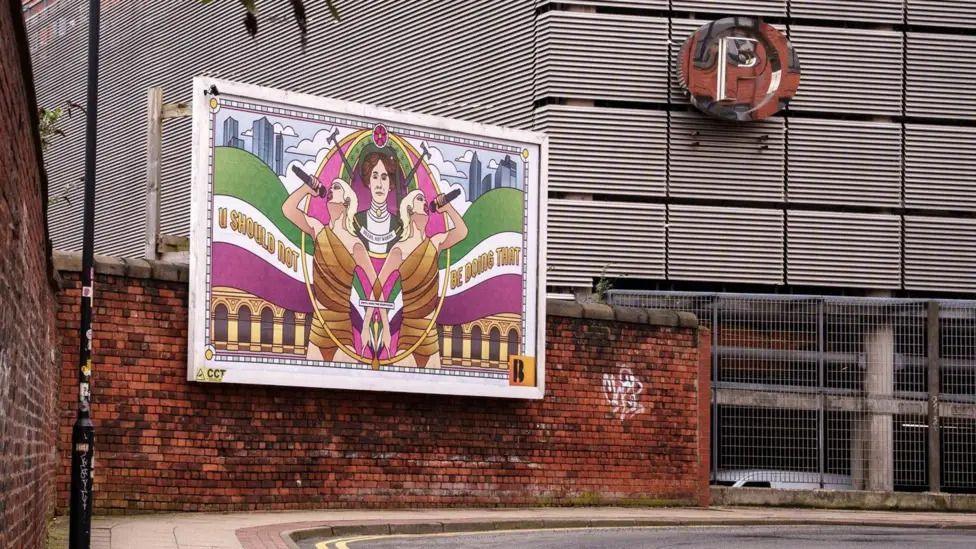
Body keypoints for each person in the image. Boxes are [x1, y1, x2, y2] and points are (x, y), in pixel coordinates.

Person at [281, 177, 376, 362]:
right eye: (330, 187)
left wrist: (366, 324)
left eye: (337, 187)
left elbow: (376, 284)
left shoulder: (355, 244)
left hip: (342, 328)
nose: (331, 189)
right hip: (319, 326)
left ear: (347, 201)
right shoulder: (318, 230)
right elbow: (287, 209)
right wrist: (305, 189)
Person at [374, 189, 468, 368]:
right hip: (409, 331)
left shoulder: (435, 242)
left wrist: (447, 208)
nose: (425, 203)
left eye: (425, 201)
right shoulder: (399, 250)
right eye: (419, 199)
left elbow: (462, 231)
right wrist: (385, 325)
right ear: (409, 210)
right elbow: (378, 285)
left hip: (430, 334)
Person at [353, 151, 404, 257]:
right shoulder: (356, 221)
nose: (379, 185)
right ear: (369, 182)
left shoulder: (399, 226)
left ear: (390, 184)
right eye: (375, 177)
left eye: (384, 178)